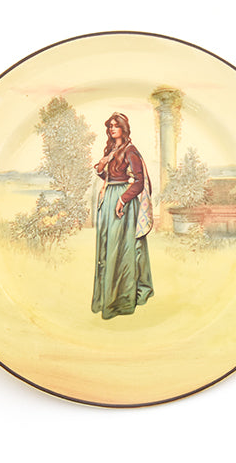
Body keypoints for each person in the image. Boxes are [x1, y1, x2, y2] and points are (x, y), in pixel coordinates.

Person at [91, 112, 154, 319]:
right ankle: (107, 297)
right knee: (108, 247)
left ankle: (122, 301)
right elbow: (109, 176)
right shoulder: (111, 150)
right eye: (110, 126)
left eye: (116, 125)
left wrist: (122, 199)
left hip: (123, 203)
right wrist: (101, 168)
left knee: (121, 249)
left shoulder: (130, 150)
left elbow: (139, 181)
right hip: (108, 199)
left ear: (123, 128)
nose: (112, 129)